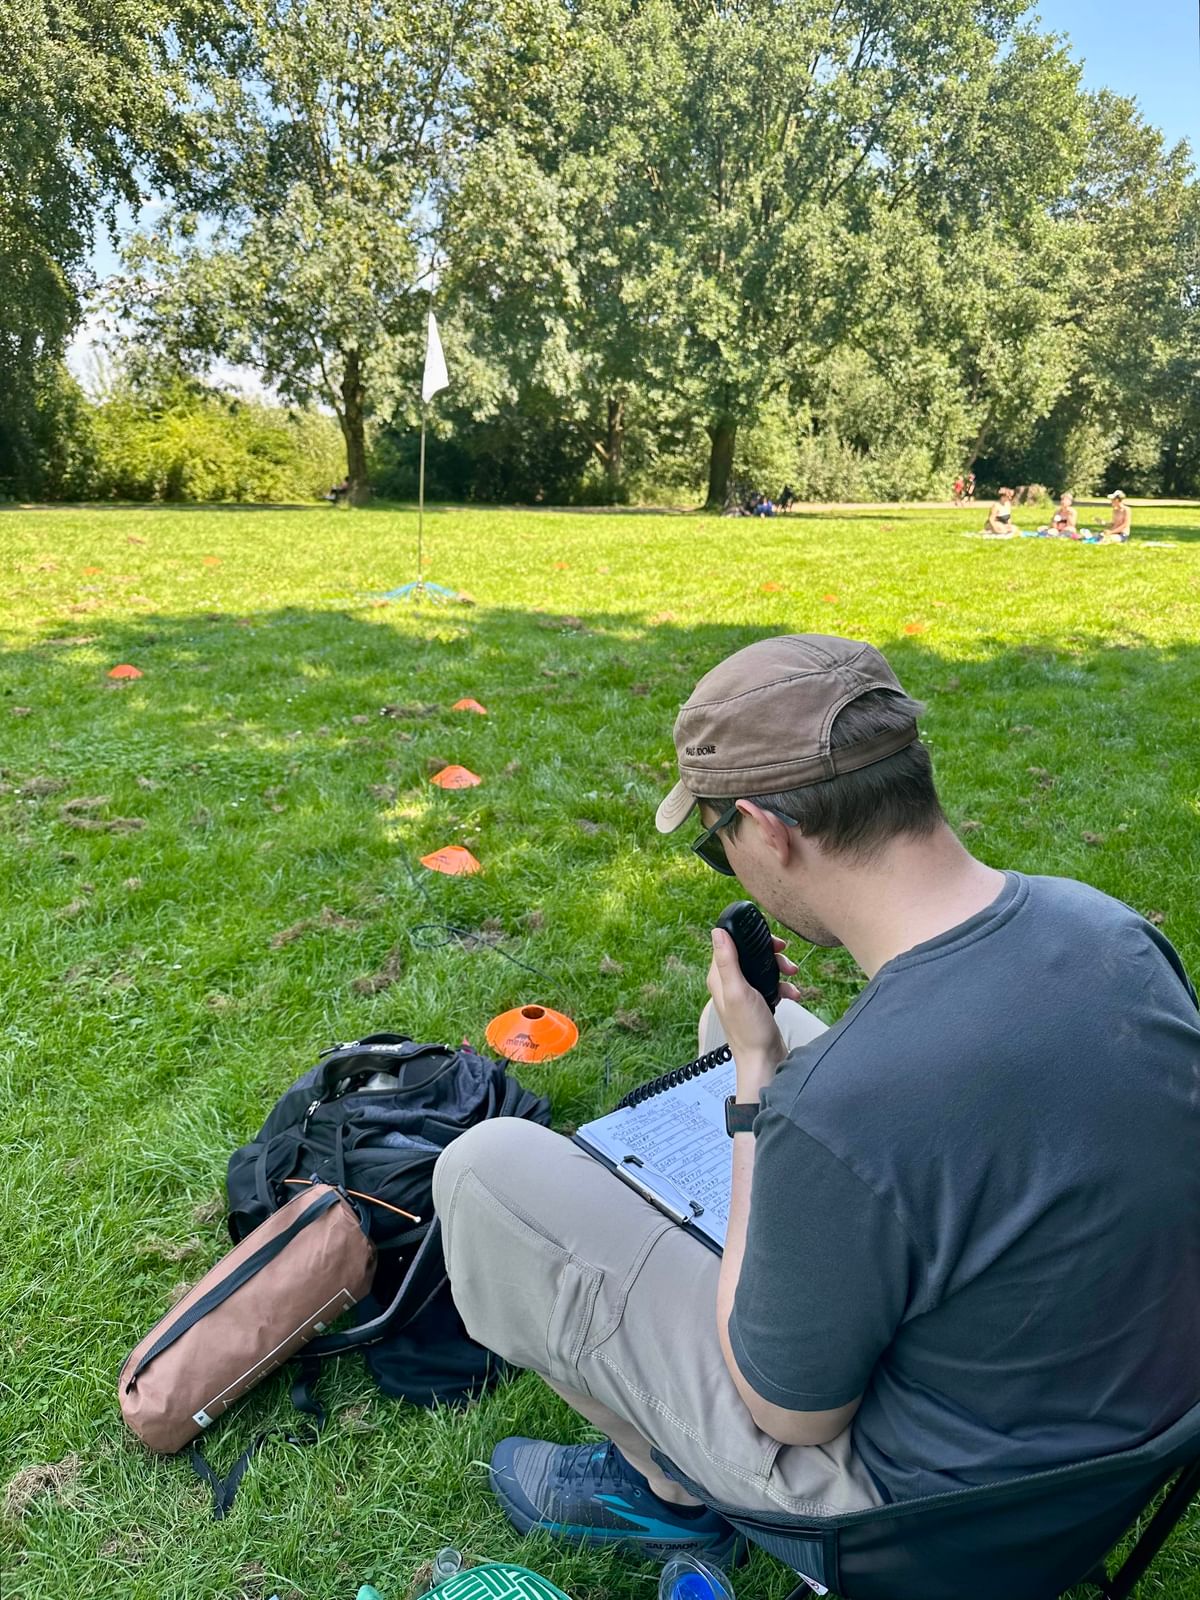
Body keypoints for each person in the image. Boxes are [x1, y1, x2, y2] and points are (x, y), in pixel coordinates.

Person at [432, 635, 1200, 1569]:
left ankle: (666, 1493)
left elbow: (788, 1412)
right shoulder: (1108, 928)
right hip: (1116, 1441)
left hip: (932, 1523)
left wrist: (759, 1092)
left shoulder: (843, 1106)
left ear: (768, 829)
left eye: (717, 845)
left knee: (485, 1172)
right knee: (745, 1033)